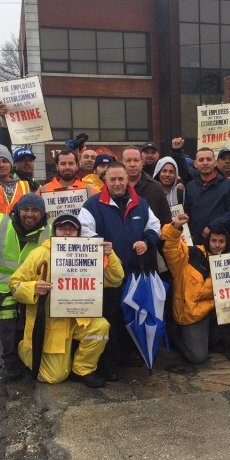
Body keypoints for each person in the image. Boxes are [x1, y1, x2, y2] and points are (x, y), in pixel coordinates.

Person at [8, 215, 124, 388]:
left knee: (101, 327)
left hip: (78, 319)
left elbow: (115, 280)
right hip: (50, 324)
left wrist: (111, 255)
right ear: (55, 231)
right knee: (54, 377)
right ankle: (25, 348)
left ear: (78, 233)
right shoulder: (40, 253)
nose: (67, 233)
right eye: (63, 229)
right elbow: (14, 284)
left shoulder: (91, 253)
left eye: (72, 229)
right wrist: (33, 288)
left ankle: (82, 369)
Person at [78, 161, 161, 377]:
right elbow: (84, 232)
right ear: (105, 180)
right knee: (110, 318)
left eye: (120, 179)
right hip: (107, 276)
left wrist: (147, 241)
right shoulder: (92, 205)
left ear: (127, 179)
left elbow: (154, 227)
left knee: (130, 315)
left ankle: (126, 355)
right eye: (112, 179)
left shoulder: (140, 203)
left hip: (133, 273)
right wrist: (99, 245)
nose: (117, 183)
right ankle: (109, 363)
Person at [0, 193, 52, 379]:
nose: (29, 214)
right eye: (25, 209)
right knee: (7, 322)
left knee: (27, 323)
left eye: (35, 210)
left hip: (31, 286)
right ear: (17, 210)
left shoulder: (50, 230)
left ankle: (26, 357)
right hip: (3, 283)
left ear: (43, 214)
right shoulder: (1, 224)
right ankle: (10, 361)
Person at [163, 214, 230, 363]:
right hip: (192, 312)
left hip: (212, 309)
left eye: (221, 241)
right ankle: (176, 334)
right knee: (197, 357)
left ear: (227, 242)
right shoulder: (191, 255)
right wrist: (175, 227)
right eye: (214, 241)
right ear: (207, 240)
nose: (217, 245)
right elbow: (170, 248)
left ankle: (211, 340)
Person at [171, 138, 230, 243]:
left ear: (215, 163)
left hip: (220, 243)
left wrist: (212, 226)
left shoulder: (228, 185)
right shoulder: (191, 186)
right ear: (195, 164)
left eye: (208, 159)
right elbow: (188, 212)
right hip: (197, 241)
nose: (205, 163)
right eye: (201, 160)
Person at [0, 101, 41, 191]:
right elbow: (4, 148)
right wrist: (4, 120)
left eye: (30, 160)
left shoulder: (36, 184)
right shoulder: (11, 178)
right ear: (14, 164)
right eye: (22, 160)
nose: (27, 163)